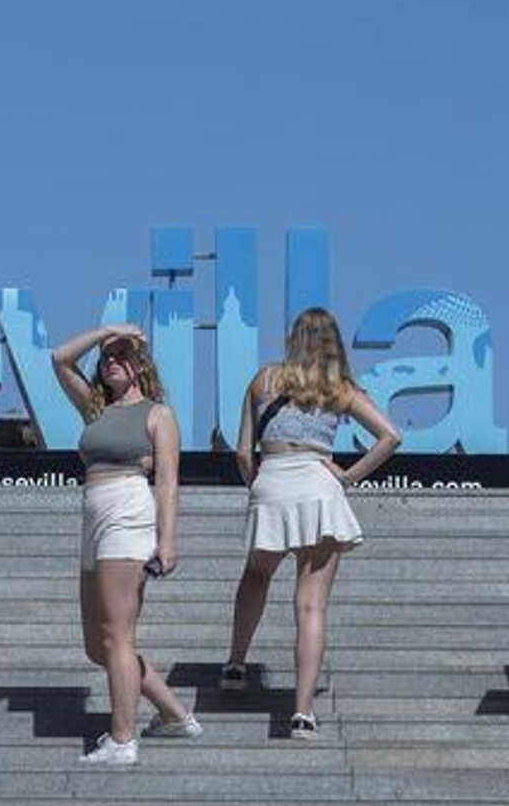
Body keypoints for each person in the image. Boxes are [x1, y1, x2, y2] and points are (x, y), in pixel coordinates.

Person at [220, 308, 401, 740]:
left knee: (256, 574)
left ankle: (235, 663)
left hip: (273, 479)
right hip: (319, 485)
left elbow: (243, 452)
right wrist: (348, 475)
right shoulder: (340, 388)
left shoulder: (263, 380)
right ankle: (302, 713)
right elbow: (391, 436)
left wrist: (257, 485)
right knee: (312, 603)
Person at [51, 324, 200, 766]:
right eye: (106, 356)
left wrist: (167, 540)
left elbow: (169, 483)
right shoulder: (96, 408)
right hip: (93, 514)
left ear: (140, 365)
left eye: (121, 354)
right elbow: (59, 359)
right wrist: (108, 332)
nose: (110, 360)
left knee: (117, 633)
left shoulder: (158, 414)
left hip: (128, 510)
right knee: (98, 645)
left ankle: (122, 739)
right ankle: (174, 714)